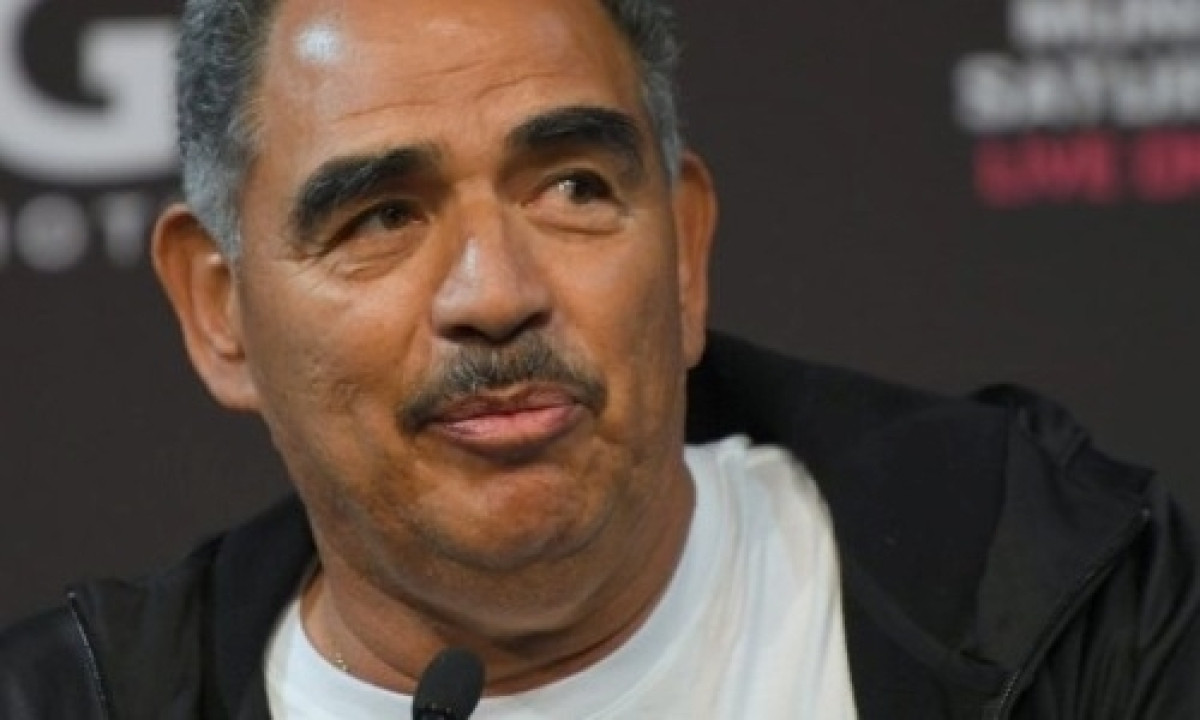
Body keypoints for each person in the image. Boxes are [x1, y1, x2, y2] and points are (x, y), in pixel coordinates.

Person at [2, 0, 1198, 716]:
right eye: (383, 216)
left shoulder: (1058, 596)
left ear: (683, 254)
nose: (495, 294)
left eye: (573, 187)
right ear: (219, 310)